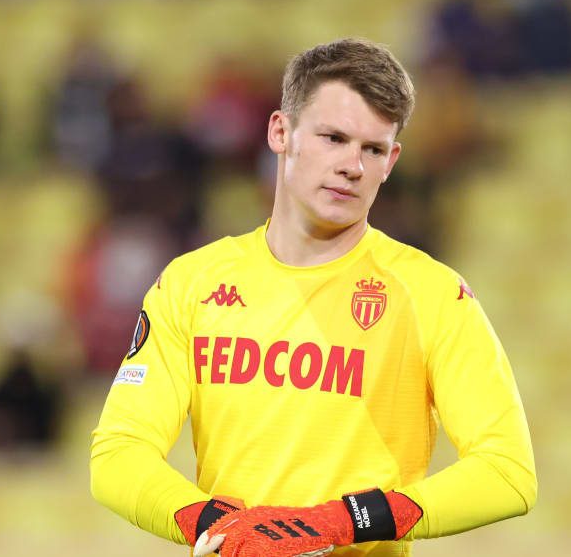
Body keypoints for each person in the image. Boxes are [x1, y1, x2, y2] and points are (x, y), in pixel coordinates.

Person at [90, 38, 536, 557]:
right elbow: (119, 452)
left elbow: (507, 472)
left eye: (373, 149)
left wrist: (342, 522)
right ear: (281, 132)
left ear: (391, 161)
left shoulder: (434, 295)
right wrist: (217, 525)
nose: (353, 166)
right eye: (334, 138)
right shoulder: (191, 283)